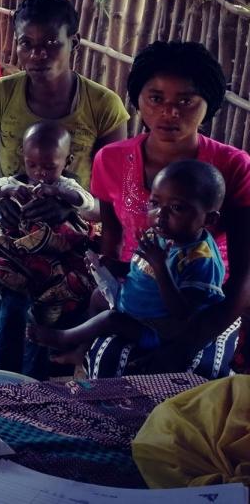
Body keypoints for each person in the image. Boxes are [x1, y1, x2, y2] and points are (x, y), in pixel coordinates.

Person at [0, 0, 127, 373]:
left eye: (52, 43)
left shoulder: (103, 106)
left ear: (75, 43)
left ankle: (27, 379)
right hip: (10, 222)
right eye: (27, 43)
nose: (39, 54)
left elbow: (117, 199)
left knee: (56, 304)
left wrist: (71, 206)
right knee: (8, 297)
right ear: (17, 44)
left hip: (76, 229)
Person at [87, 41, 250, 378]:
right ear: (139, 99)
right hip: (138, 290)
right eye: (156, 98)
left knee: (187, 382)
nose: (170, 112)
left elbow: (244, 275)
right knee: (108, 363)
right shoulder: (112, 159)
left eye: (186, 101)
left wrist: (185, 346)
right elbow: (111, 235)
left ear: (209, 104)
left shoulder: (233, 166)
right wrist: (112, 283)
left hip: (206, 303)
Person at [31, 160, 226, 358]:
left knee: (110, 319)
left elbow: (182, 312)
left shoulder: (200, 259)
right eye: (155, 203)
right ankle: (83, 350)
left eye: (176, 208)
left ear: (209, 219)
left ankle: (64, 338)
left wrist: (160, 267)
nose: (160, 215)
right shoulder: (159, 234)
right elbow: (140, 269)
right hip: (133, 306)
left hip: (158, 328)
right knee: (98, 296)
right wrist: (114, 267)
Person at [0, 121, 95, 337]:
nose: (40, 172)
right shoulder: (13, 181)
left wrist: (60, 194)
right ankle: (0, 280)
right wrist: (8, 190)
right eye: (32, 165)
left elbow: (87, 202)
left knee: (72, 270)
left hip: (52, 246)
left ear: (67, 162)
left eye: (49, 167)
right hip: (17, 244)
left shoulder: (65, 184)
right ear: (23, 155)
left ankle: (46, 299)